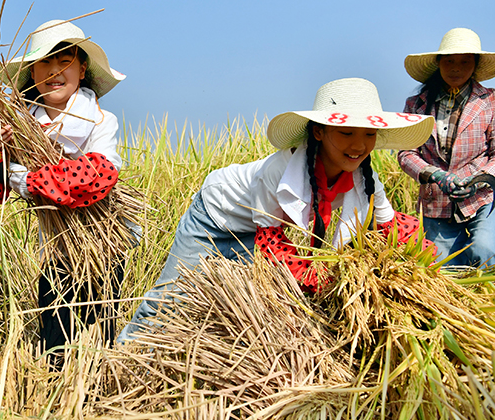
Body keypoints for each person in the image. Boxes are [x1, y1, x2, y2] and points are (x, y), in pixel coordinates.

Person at [118, 78, 435, 342]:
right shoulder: (280, 169)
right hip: (215, 217)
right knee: (171, 298)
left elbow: (392, 228)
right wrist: (324, 280)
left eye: (368, 134)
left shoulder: (366, 179)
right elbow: (272, 246)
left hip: (259, 231)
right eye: (347, 132)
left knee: (236, 312)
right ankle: (119, 361)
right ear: (319, 131)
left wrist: (422, 269)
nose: (359, 145)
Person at [0, 19, 127, 365]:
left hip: (101, 249)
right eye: (45, 62)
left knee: (99, 339)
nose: (55, 70)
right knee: (55, 342)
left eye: (64, 60)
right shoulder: (18, 126)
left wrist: (31, 182)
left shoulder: (100, 121)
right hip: (54, 252)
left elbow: (99, 174)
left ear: (82, 70)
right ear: (32, 72)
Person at [397, 28, 495, 266]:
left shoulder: (489, 101)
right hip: (437, 201)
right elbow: (406, 152)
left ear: (475, 65)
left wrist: (478, 178)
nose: (456, 68)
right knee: (445, 269)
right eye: (449, 61)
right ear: (439, 63)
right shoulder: (417, 105)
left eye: (464, 62)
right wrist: (436, 175)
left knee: (484, 249)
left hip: (481, 197)